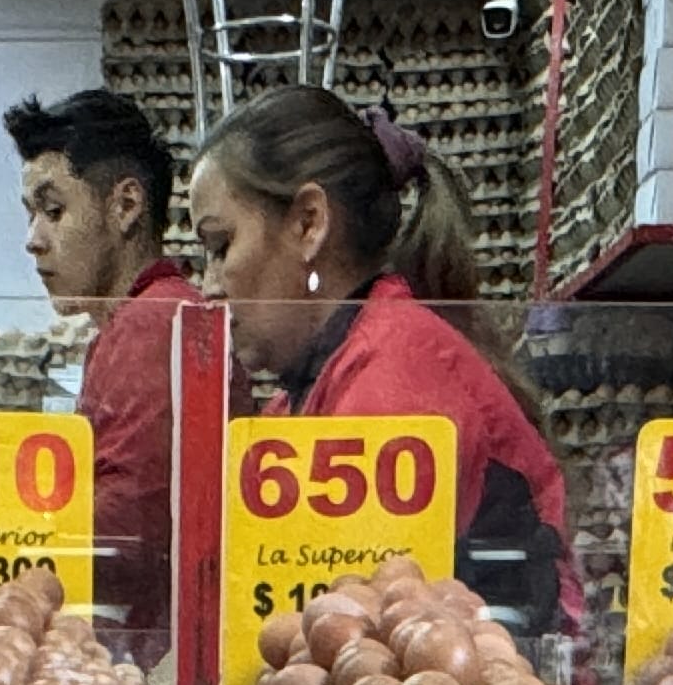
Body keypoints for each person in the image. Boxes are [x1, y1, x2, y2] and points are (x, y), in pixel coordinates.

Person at [185, 83, 574, 634]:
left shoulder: (395, 382)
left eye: (221, 246)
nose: (208, 287)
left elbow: (356, 629)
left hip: (502, 677)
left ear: (308, 223)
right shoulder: (312, 386)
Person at [5, 89, 201, 648]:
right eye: (31, 215)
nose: (33, 241)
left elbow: (127, 533)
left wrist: (1, 538)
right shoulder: (142, 320)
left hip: (149, 645)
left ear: (126, 206)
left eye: (54, 211)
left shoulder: (153, 324)